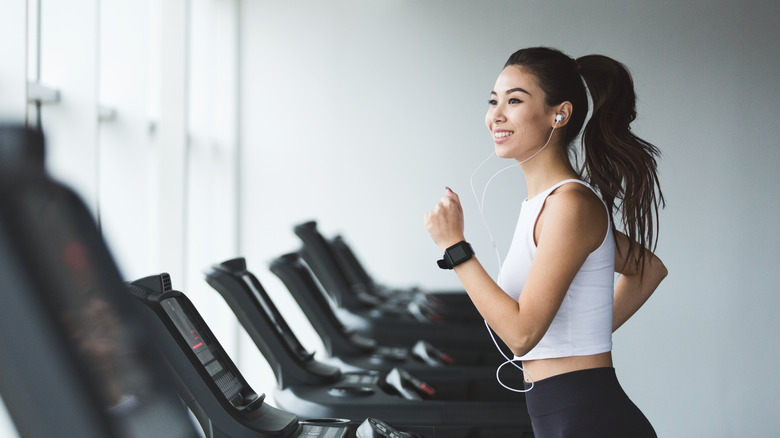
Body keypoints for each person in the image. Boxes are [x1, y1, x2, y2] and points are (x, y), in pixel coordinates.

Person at [424, 47, 668, 437]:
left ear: (560, 114)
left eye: (515, 100)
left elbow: (521, 336)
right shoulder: (550, 204)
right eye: (493, 101)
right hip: (564, 413)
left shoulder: (570, 205)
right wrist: (581, 336)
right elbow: (648, 269)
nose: (496, 115)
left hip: (589, 419)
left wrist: (455, 248)